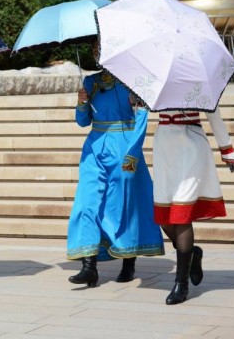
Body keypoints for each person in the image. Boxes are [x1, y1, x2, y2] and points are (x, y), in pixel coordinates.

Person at [66, 41, 165, 287]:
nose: (98, 55)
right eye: (95, 51)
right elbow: (82, 121)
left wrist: (132, 153)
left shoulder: (132, 80)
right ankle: (89, 266)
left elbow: (142, 116)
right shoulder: (90, 82)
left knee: (123, 205)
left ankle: (128, 259)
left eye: (103, 50)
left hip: (124, 144)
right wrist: (81, 102)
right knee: (85, 202)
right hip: (95, 146)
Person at [153, 108, 234, 304]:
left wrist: (227, 149)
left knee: (181, 215)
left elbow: (213, 114)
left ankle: (181, 284)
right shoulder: (156, 79)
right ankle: (192, 253)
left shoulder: (198, 80)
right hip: (164, 145)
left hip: (190, 145)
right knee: (163, 217)